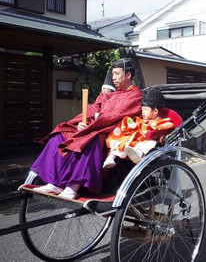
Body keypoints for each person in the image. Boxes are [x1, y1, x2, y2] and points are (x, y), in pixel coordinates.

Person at [31, 58, 143, 199]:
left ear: (128, 75)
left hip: (113, 131)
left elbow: (114, 115)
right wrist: (82, 122)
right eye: (113, 74)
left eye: (117, 74)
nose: (113, 78)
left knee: (92, 138)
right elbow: (93, 108)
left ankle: (74, 185)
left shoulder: (135, 96)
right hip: (95, 126)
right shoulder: (110, 94)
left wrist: (91, 125)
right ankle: (55, 182)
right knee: (61, 131)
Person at [103, 88, 182, 167]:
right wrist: (131, 124)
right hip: (136, 138)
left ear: (155, 111)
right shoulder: (141, 118)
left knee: (146, 144)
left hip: (148, 140)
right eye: (142, 109)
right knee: (123, 141)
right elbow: (136, 124)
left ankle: (138, 153)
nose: (143, 112)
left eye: (145, 109)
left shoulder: (160, 121)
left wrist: (155, 133)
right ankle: (111, 157)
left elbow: (168, 128)